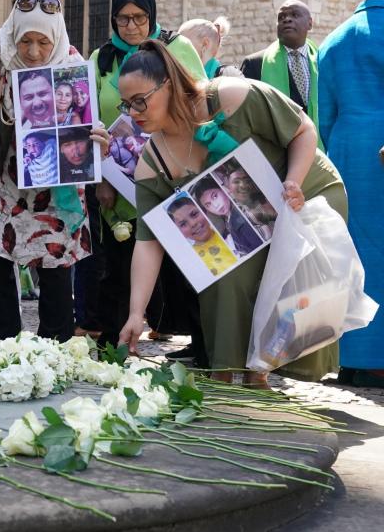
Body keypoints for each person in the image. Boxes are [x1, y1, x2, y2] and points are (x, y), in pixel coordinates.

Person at [116, 40, 347, 388]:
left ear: (170, 85)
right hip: (246, 222)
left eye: (140, 101)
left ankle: (260, 374)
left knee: (282, 281)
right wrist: (136, 313)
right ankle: (225, 376)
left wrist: (293, 184)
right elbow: (149, 244)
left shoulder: (233, 96)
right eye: (127, 104)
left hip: (304, 194)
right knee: (221, 271)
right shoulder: (151, 165)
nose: (133, 113)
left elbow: (303, 130)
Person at [0, 0, 108, 340]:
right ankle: (2, 351)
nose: (35, 52)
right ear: (14, 35)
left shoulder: (69, 63)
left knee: (55, 269)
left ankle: (53, 352)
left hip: (53, 185)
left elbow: (82, 122)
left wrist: (95, 139)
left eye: (42, 42)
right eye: (26, 42)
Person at [89, 0, 207, 350]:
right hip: (121, 178)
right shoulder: (100, 59)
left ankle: (200, 339)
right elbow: (91, 121)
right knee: (123, 257)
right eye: (123, 19)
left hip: (177, 167)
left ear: (152, 15)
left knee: (187, 253)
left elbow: (199, 100)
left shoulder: (177, 48)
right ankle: (117, 338)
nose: (132, 26)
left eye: (139, 17)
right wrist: (101, 179)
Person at [318, 0, 384, 387]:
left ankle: (355, 357)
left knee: (354, 255)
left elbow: (322, 116)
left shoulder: (332, 40)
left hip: (346, 154)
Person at [241, 0, 320, 144]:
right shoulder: (255, 64)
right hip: (276, 153)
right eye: (281, 17)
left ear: (310, 23)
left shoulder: (323, 60)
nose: (287, 20)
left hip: (320, 149)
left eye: (295, 15)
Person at [166, 194, 238, 275]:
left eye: (194, 214)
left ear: (204, 211)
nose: (193, 223)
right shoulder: (191, 259)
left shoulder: (232, 232)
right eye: (183, 224)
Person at [192, 176, 263, 257]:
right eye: (208, 205)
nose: (215, 205)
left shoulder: (239, 218)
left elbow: (258, 248)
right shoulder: (228, 219)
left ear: (223, 189)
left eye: (215, 196)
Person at [217, 162, 276, 239]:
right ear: (229, 190)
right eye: (236, 182)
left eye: (246, 180)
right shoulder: (234, 220)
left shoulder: (265, 201)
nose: (243, 185)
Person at [178, 17, 243, 79]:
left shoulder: (229, 76)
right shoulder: (183, 77)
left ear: (205, 44)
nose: (179, 50)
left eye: (185, 44)